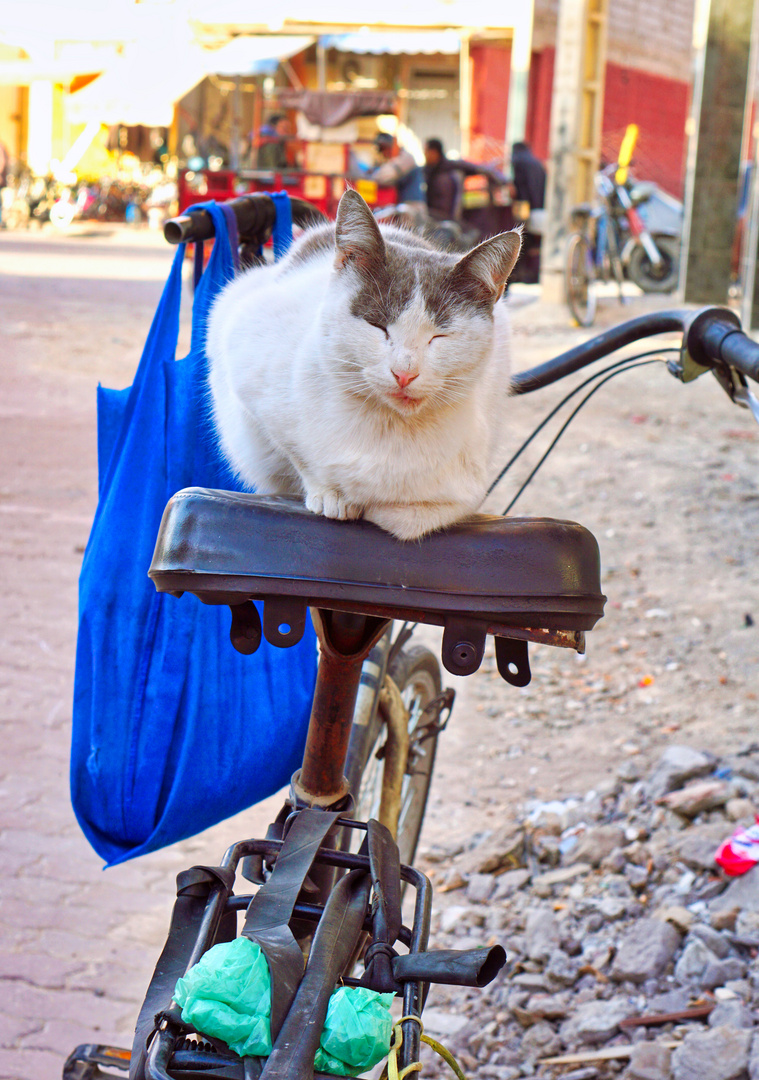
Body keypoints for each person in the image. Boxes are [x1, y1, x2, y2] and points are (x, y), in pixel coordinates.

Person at [370, 133, 425, 214]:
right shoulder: (395, 160)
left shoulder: (406, 158)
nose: (383, 154)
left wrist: (372, 175)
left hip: (413, 208)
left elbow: (383, 176)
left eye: (384, 149)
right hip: (403, 206)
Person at [423, 138, 460, 221]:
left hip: (440, 221)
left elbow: (444, 207)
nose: (424, 154)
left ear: (434, 152)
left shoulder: (443, 177)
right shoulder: (431, 171)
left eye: (426, 151)